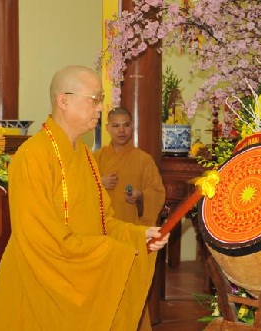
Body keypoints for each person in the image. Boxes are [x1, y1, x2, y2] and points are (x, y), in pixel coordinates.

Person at [0, 65, 169, 331]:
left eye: (101, 100)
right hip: (41, 283)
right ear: (64, 100)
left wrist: (136, 236)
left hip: (84, 278)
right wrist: (112, 253)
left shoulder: (85, 156)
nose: (100, 108)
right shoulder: (33, 155)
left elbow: (103, 220)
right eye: (94, 99)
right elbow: (40, 238)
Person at [93, 107, 166, 330]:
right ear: (107, 128)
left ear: (132, 127)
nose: (121, 130)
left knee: (131, 286)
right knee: (104, 286)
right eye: (116, 126)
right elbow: (79, 193)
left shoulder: (143, 160)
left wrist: (141, 195)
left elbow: (158, 192)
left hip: (131, 233)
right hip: (103, 234)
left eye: (125, 125)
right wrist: (99, 184)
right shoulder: (95, 159)